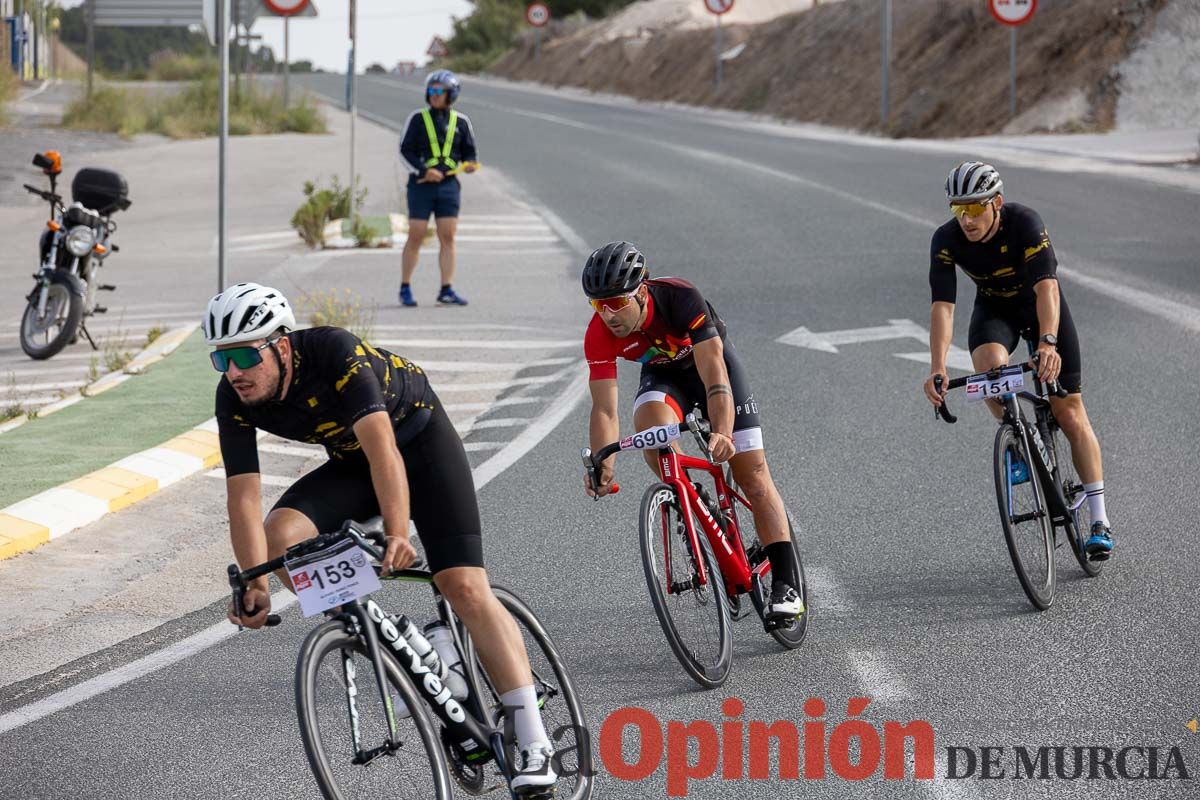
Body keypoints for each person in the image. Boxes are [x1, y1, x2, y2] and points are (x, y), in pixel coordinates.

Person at [205, 283, 555, 793]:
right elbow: (242, 497)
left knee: (462, 585)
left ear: (280, 345)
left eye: (242, 354)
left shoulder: (334, 352)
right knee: (281, 537)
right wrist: (255, 586)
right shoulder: (234, 398)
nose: (233, 371)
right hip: (353, 466)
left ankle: (533, 737)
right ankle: (394, 634)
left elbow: (385, 449)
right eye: (221, 359)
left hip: (418, 443)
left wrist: (397, 532)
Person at [580, 242, 804, 623]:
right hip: (664, 377)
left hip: (713, 370)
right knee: (649, 422)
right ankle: (691, 498)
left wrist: (724, 431)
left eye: (616, 303)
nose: (608, 315)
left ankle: (787, 585)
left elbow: (715, 375)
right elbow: (604, 408)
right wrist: (603, 462)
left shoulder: (681, 298)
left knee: (751, 473)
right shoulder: (598, 334)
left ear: (641, 291)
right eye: (598, 305)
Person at [922, 162, 1114, 560]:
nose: (967, 220)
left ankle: (1099, 520)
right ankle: (1016, 439)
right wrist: (937, 367)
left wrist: (1047, 343)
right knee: (989, 368)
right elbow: (943, 306)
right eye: (959, 210)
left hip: (1042, 310)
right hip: (995, 311)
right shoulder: (945, 239)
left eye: (975, 209)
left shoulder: (1024, 222)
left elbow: (1047, 288)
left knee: (1070, 411)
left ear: (996, 203)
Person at [398, 70, 477, 308]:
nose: (434, 95)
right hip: (421, 186)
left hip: (449, 186)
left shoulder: (461, 122)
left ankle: (446, 289)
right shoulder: (417, 118)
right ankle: (405, 287)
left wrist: (470, 165)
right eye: (431, 90)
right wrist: (423, 171)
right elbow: (405, 151)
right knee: (416, 234)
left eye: (439, 91)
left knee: (448, 236)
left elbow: (470, 153)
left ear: (451, 94)